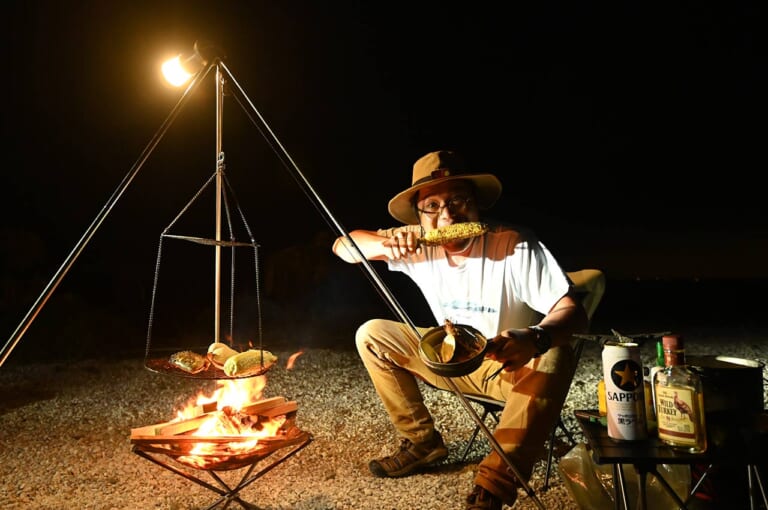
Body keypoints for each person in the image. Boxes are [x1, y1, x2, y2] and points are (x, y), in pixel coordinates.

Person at [332, 150, 589, 510]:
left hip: (508, 365)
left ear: (476, 204)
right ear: (419, 216)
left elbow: (572, 312)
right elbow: (343, 245)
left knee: (555, 353)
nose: (447, 216)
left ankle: (493, 488)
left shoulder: (514, 244)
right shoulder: (415, 241)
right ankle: (422, 442)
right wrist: (387, 244)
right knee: (372, 333)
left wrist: (535, 337)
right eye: (432, 207)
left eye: (457, 201)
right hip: (451, 362)